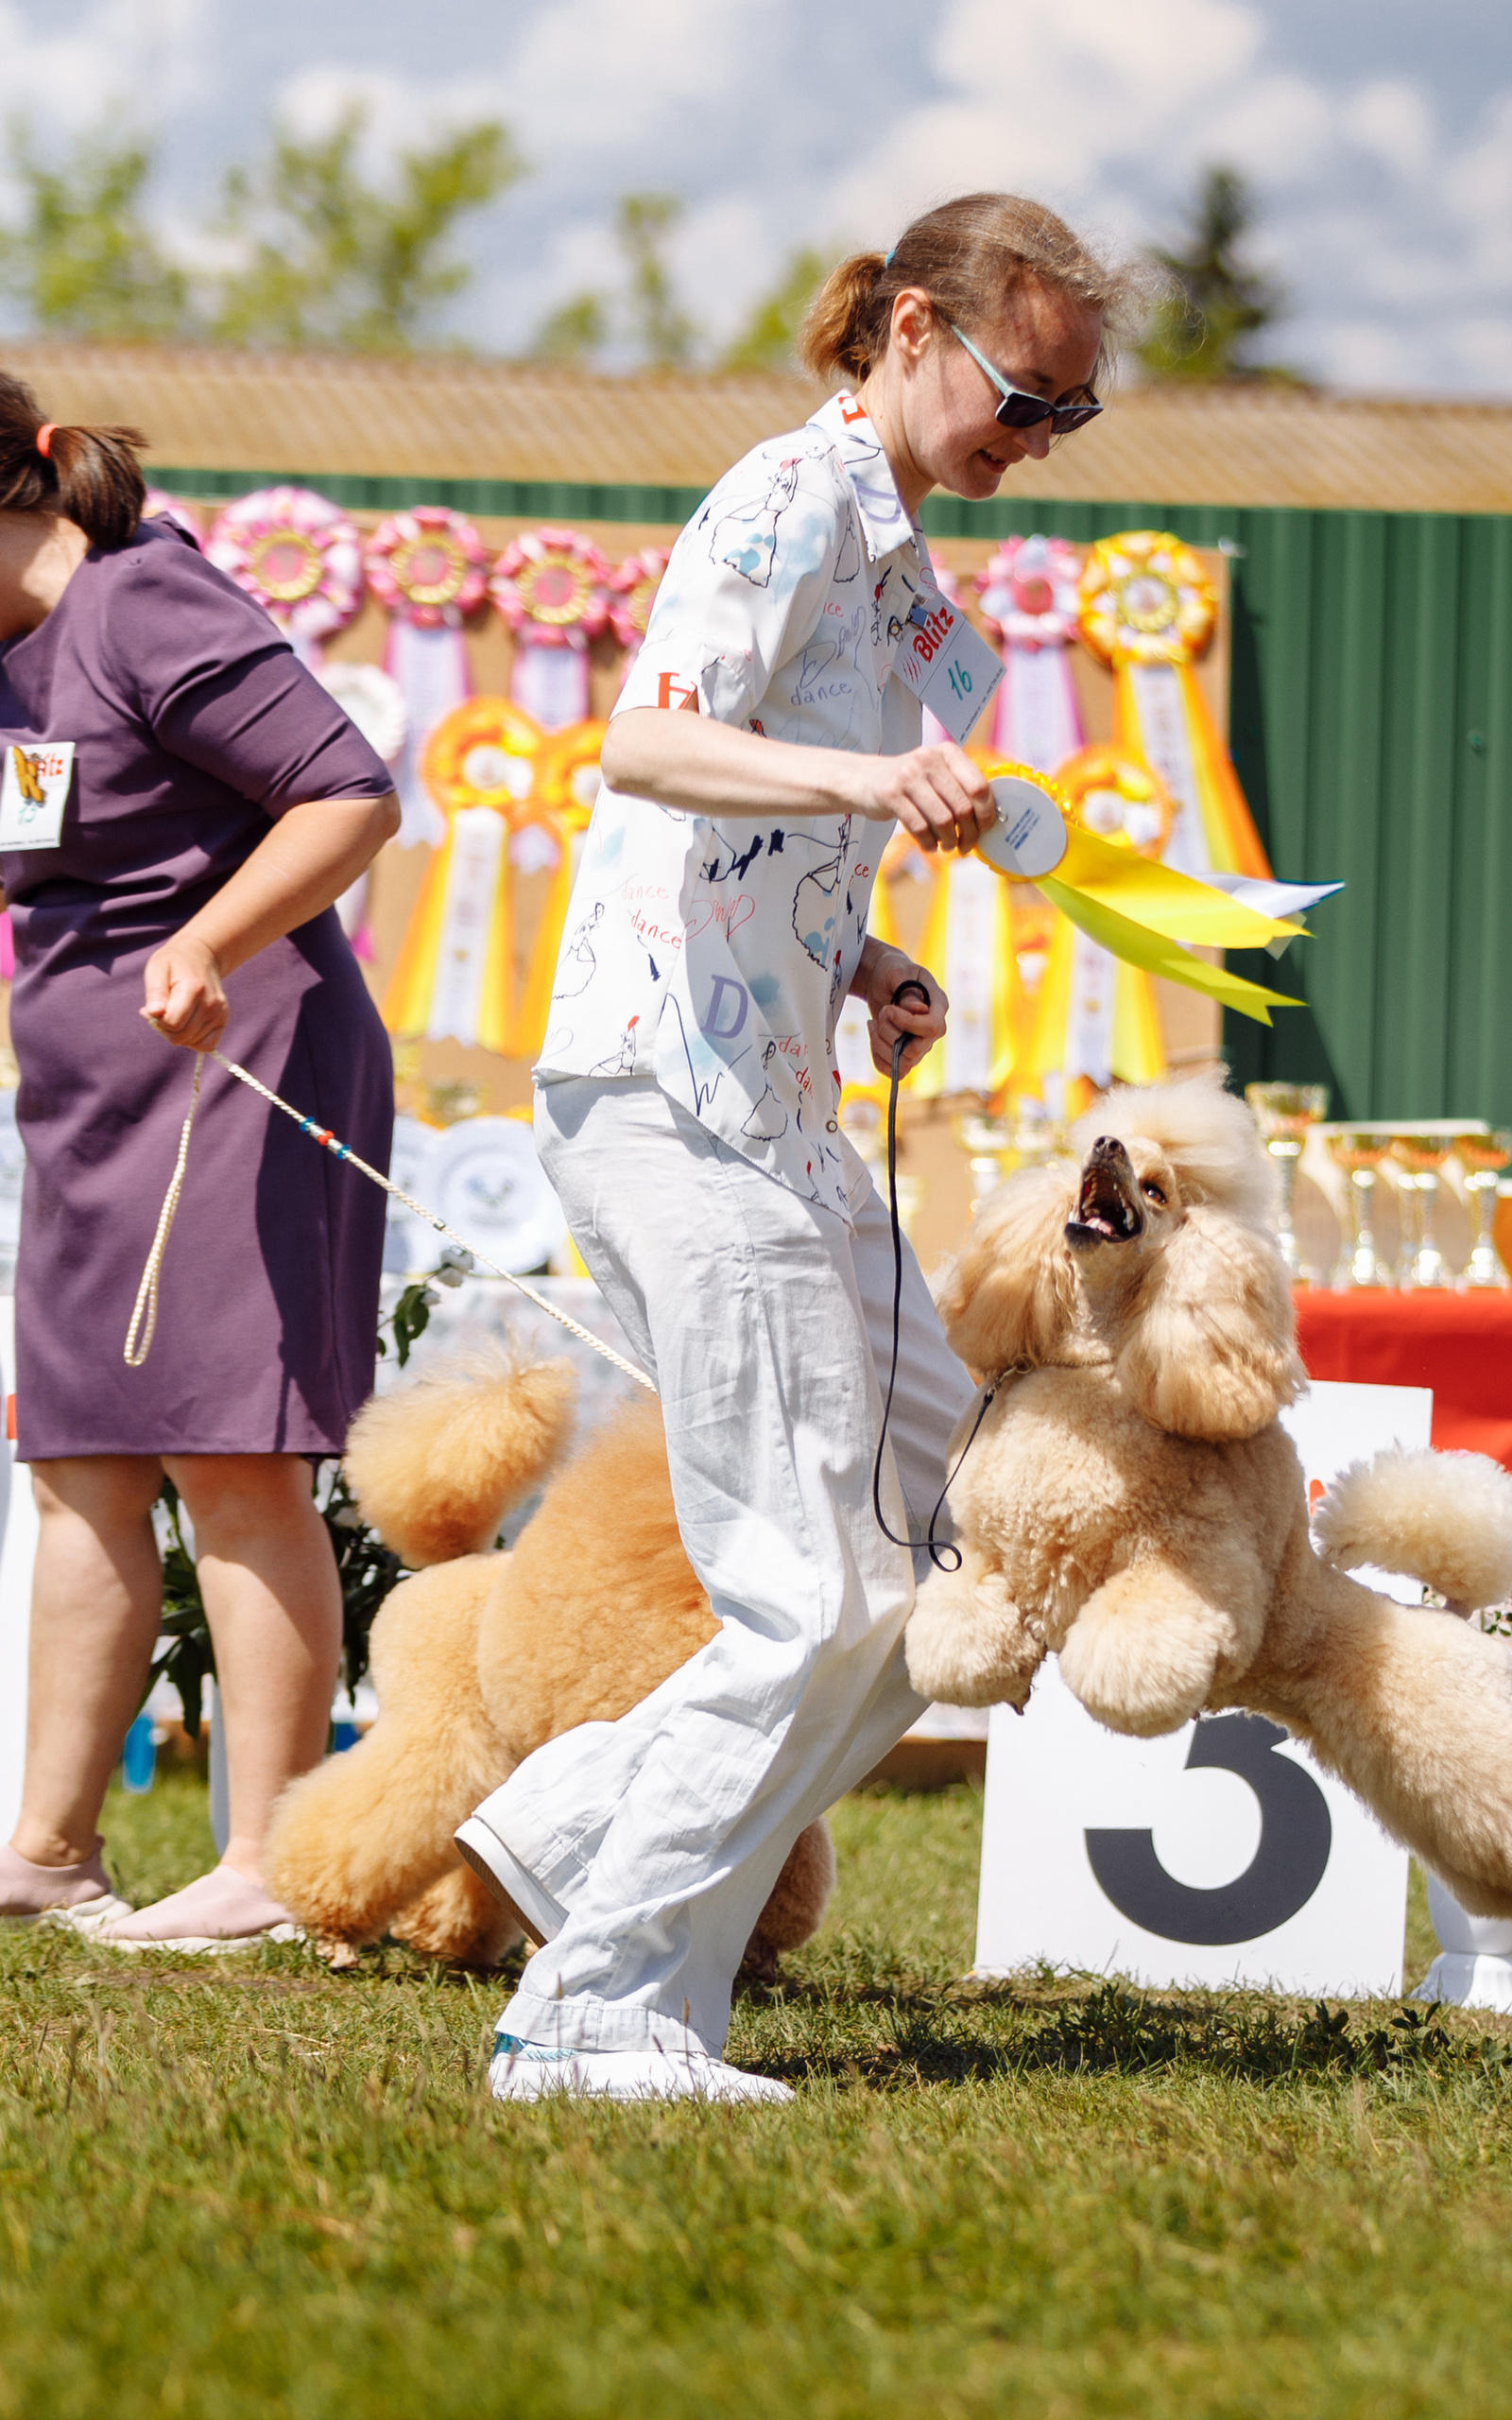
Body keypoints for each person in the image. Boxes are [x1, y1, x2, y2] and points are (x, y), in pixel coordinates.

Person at [462, 193, 1132, 2103]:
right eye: (1026, 392)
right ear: (913, 328)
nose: (1037, 436)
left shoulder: (889, 542)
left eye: (1070, 416)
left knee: (959, 1548)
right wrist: (862, 778)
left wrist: (859, 957)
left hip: (778, 1103)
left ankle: (577, 1830)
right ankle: (594, 2015)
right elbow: (655, 748)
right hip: (669, 1102)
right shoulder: (782, 495)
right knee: (809, 1588)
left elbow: (747, 841)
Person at [0, 386, 401, 1947]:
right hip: (85, 1096)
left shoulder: (141, 597)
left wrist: (208, 935)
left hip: (243, 1062)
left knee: (234, 1460)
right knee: (82, 1461)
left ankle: (271, 1868)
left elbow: (349, 788)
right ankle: (45, 1848)